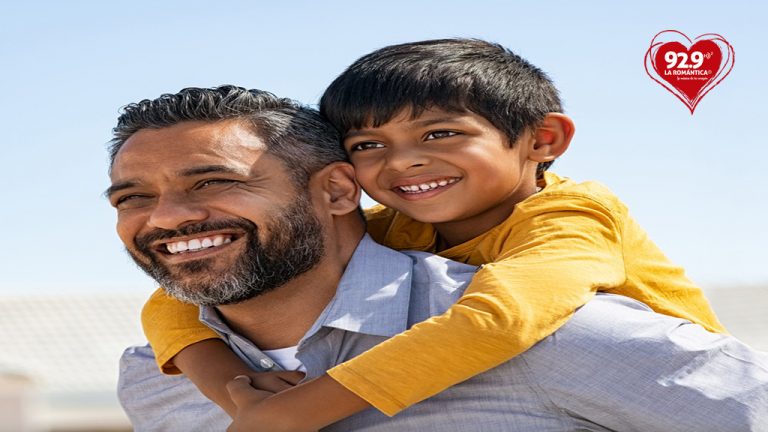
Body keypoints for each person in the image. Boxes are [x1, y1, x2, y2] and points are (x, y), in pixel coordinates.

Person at [139, 38, 729, 425]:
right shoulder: (401, 226)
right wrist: (234, 396)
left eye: (439, 134)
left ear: (541, 141)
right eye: (369, 146)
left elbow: (498, 321)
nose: (402, 163)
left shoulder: (572, 221)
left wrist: (294, 414)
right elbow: (171, 304)